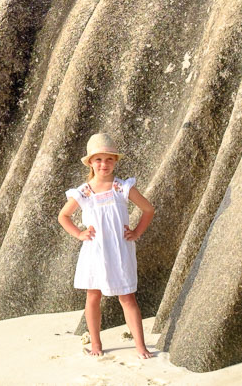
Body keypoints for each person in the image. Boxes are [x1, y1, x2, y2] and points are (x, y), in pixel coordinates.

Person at [58, 132, 156, 358]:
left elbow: (148, 209)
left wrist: (137, 232)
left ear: (116, 161)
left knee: (127, 297)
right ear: (91, 162)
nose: (104, 164)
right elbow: (63, 216)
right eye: (99, 159)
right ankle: (95, 344)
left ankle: (140, 346)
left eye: (109, 158)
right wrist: (79, 234)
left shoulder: (122, 188)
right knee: (93, 296)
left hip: (120, 250)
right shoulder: (84, 192)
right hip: (95, 251)